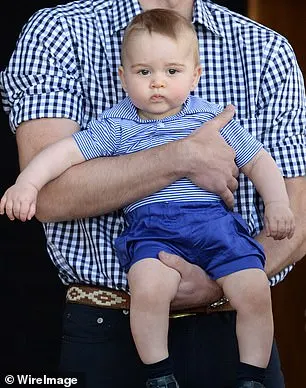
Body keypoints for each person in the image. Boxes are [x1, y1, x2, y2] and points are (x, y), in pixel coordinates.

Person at [0, 1, 305, 387]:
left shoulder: (258, 57)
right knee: (148, 281)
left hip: (229, 304)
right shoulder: (76, 54)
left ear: (195, 76)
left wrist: (222, 277)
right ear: (124, 77)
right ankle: (158, 374)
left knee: (254, 291)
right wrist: (183, 157)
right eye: (144, 72)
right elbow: (53, 176)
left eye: (171, 72)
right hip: (113, 321)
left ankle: (251, 376)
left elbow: (288, 194)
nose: (157, 83)